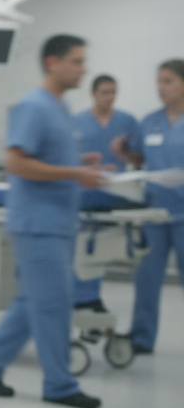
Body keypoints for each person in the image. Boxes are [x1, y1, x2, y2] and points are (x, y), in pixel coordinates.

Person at [0, 35, 107, 408]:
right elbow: (15, 162)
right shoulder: (33, 106)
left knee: (32, 300)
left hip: (57, 221)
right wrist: (72, 171)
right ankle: (60, 385)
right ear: (53, 62)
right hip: (37, 223)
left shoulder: (58, 107)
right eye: (77, 62)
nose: (84, 69)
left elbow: (50, 156)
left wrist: (81, 162)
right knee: (52, 304)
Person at [111, 59, 184, 355]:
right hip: (154, 212)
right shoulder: (150, 121)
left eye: (168, 81)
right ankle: (142, 337)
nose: (161, 88)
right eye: (158, 81)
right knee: (147, 277)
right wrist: (124, 153)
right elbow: (140, 161)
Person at [70, 75, 137, 312]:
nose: (109, 97)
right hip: (84, 195)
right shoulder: (77, 121)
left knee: (101, 249)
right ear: (93, 93)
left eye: (112, 93)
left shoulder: (127, 121)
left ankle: (90, 297)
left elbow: (137, 156)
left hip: (114, 195)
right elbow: (67, 157)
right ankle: (81, 297)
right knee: (81, 247)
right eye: (104, 92)